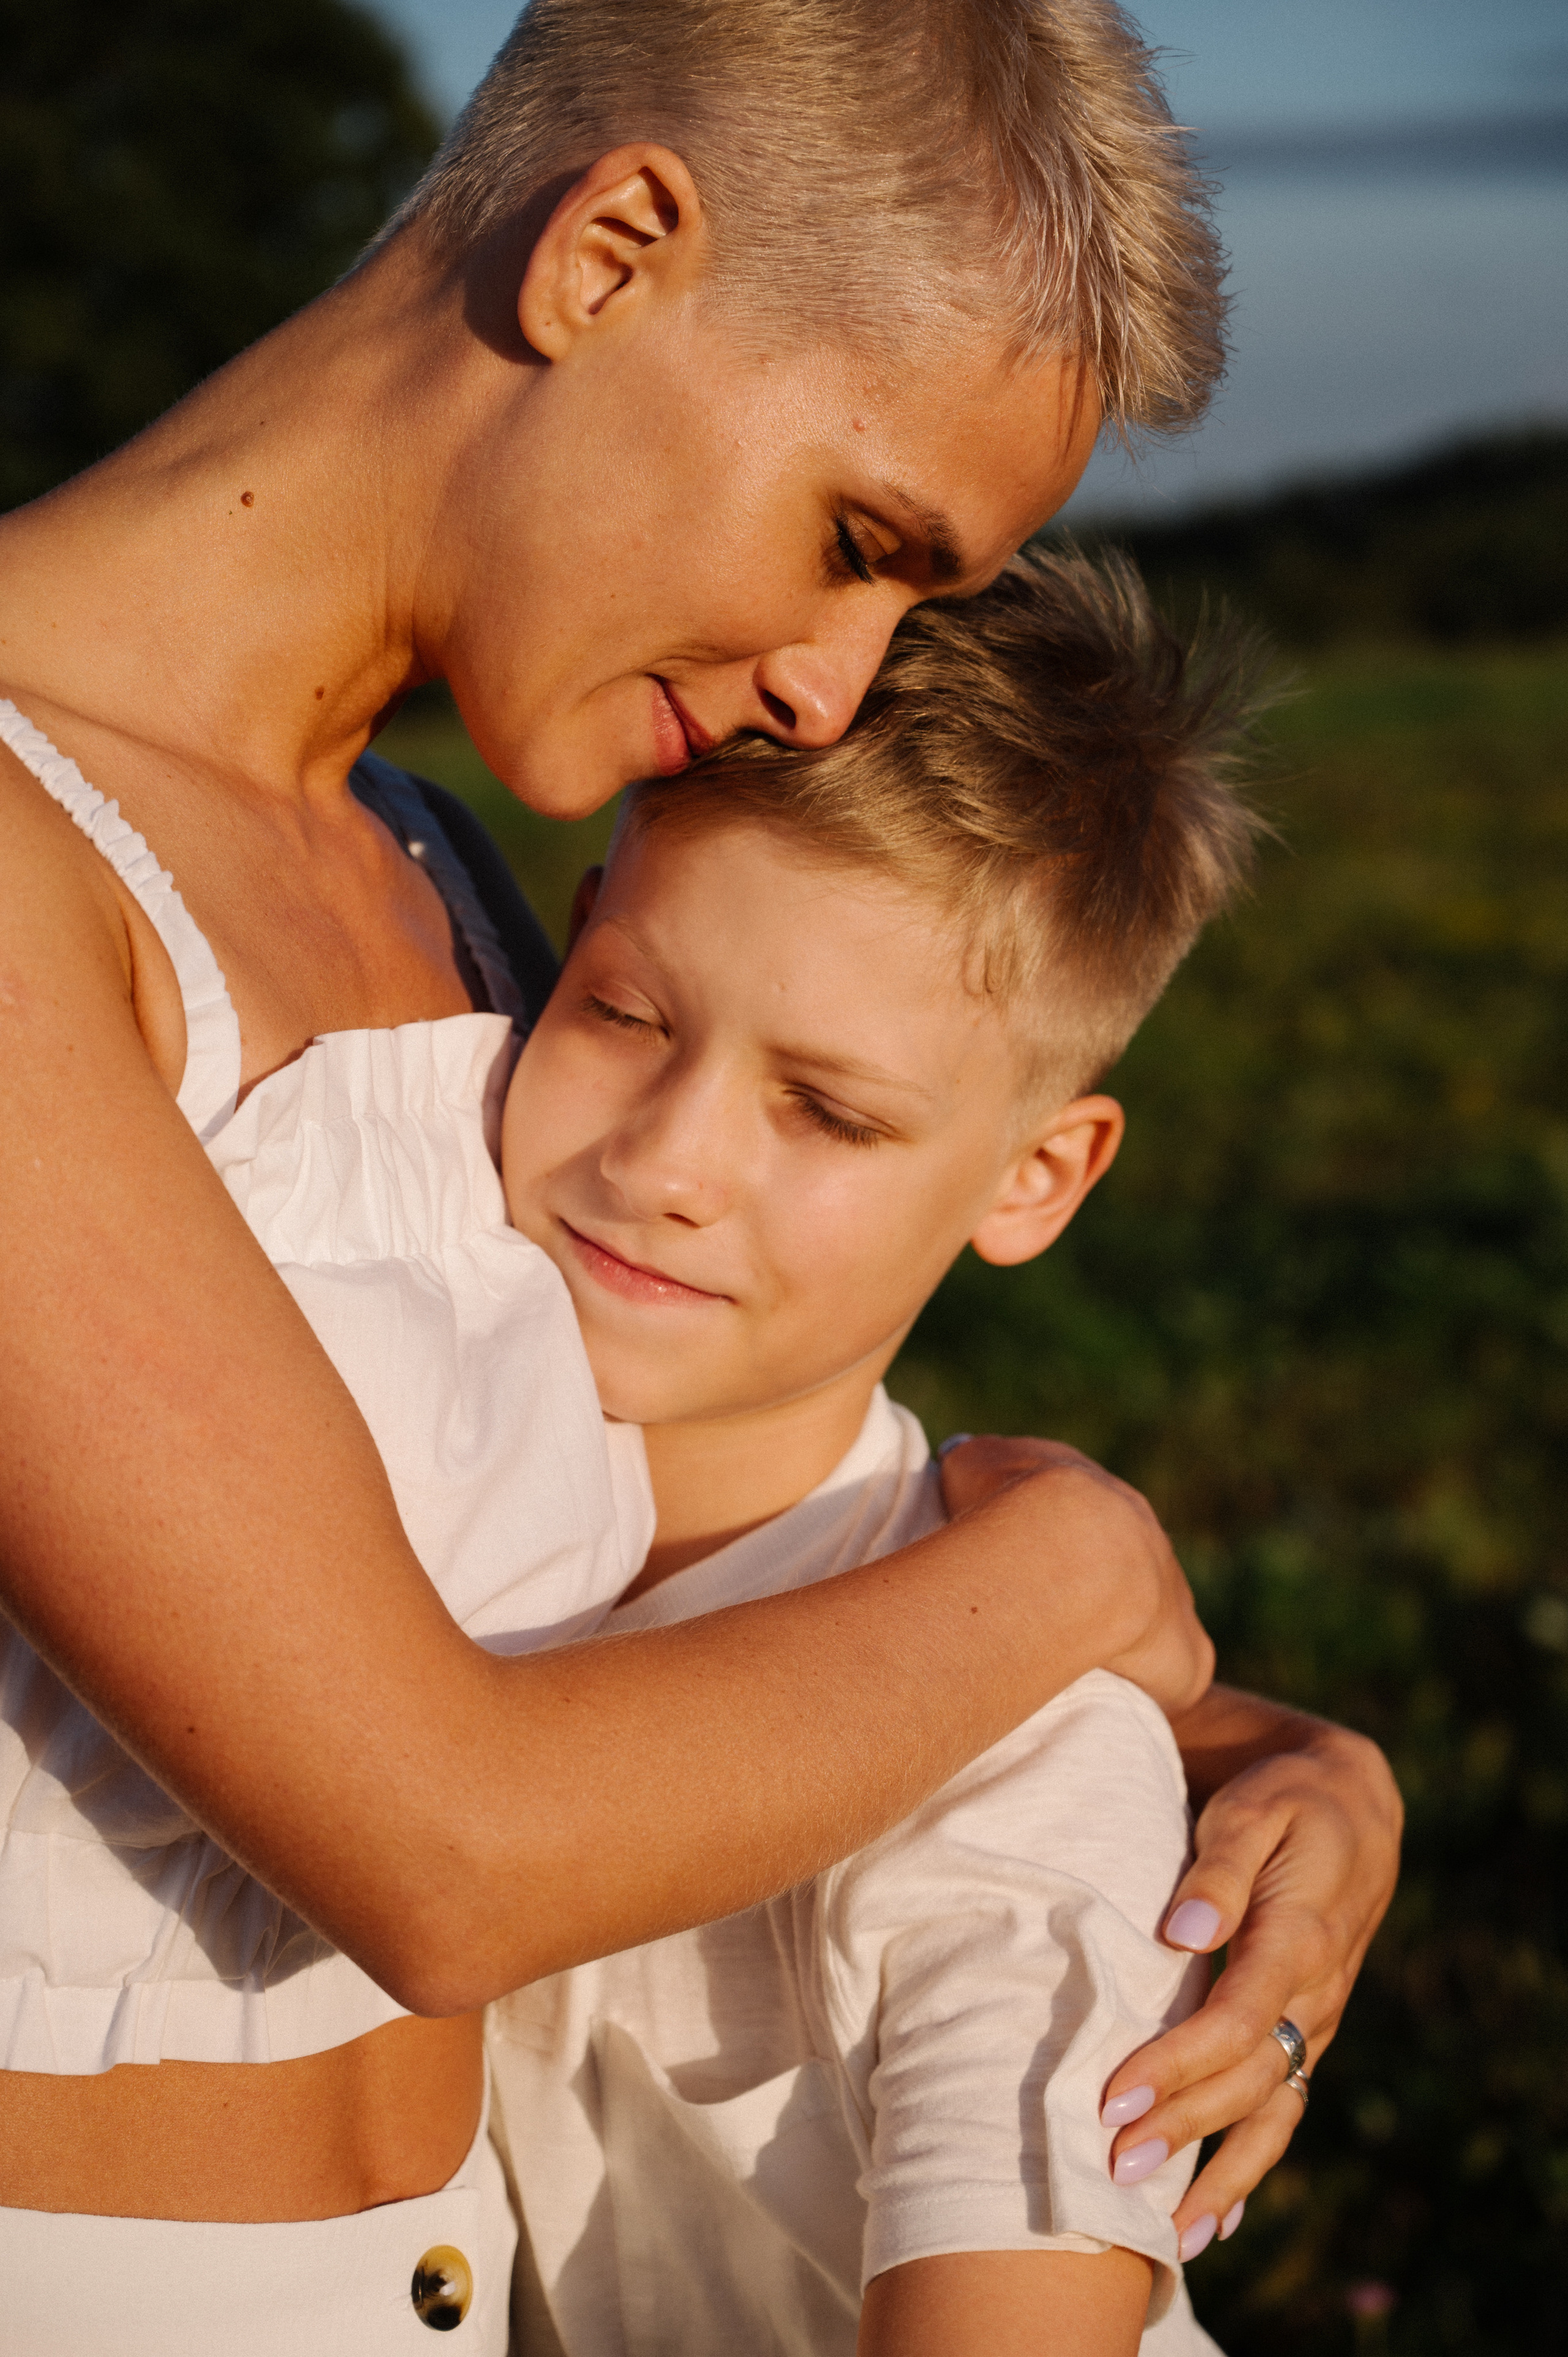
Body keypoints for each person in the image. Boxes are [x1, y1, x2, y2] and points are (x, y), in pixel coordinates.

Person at [0, 3, 1399, 2348]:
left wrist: (1233, 1742)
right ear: (613, 252)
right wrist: (1067, 1567)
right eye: (860, 541)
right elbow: (446, 1844)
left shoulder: (441, 883)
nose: (836, 688)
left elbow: (555, 1586)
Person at [484, 548, 1352, 2357]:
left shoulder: (1031, 1783)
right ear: (564, 954)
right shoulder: (397, 1509)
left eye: (828, 1109)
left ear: (1038, 1179)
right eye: (629, 1013)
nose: (667, 1159)